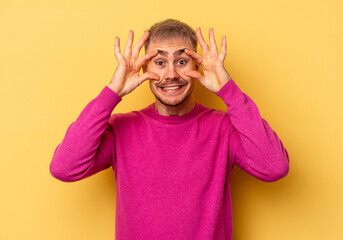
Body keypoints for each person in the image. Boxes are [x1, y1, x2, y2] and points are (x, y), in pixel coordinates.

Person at [50, 18, 289, 240]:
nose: (171, 74)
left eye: (182, 62)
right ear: (144, 69)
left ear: (198, 65)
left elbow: (274, 167)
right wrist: (112, 92)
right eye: (160, 62)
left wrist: (229, 90)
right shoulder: (121, 128)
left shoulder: (223, 128)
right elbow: (64, 168)